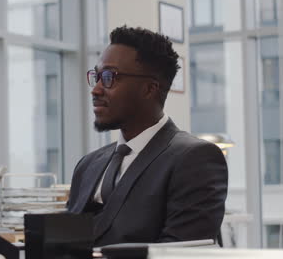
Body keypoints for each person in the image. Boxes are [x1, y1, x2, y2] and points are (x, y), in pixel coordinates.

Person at [67, 26, 228, 246]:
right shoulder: (87, 165)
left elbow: (180, 254)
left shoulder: (195, 158)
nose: (95, 90)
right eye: (96, 76)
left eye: (109, 77)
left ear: (149, 89)